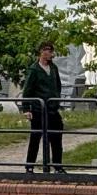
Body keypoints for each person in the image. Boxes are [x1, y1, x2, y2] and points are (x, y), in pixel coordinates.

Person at [22, 42, 65, 173]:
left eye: (51, 51)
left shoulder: (53, 68)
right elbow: (27, 90)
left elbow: (58, 85)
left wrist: (56, 100)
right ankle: (30, 165)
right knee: (35, 137)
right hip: (38, 109)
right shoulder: (34, 69)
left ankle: (57, 166)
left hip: (52, 109)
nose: (50, 53)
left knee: (56, 137)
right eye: (47, 50)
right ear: (41, 52)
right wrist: (27, 109)